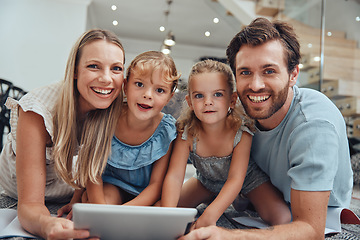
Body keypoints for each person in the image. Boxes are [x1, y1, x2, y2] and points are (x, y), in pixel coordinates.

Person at [179, 17, 353, 240]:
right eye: (245, 72)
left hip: (310, 212)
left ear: (293, 75)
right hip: (247, 195)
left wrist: (228, 236)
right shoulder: (242, 108)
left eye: (269, 71)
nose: (255, 85)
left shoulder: (313, 125)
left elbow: (311, 229)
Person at [0, 29, 125, 239]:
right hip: (17, 198)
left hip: (70, 199)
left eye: (116, 69)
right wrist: (48, 225)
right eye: (94, 66)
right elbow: (30, 205)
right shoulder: (38, 110)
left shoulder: (117, 108)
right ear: (75, 70)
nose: (106, 79)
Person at [161, 59, 291, 230]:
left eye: (218, 94)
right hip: (206, 181)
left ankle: (238, 201)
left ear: (232, 99)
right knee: (162, 207)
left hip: (247, 181)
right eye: (199, 95)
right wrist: (168, 215)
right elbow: (175, 176)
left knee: (282, 218)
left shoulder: (241, 132)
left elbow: (235, 180)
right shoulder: (187, 132)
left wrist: (210, 215)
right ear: (190, 102)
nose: (208, 102)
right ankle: (215, 199)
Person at [78, 51, 180, 206]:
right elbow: (93, 172)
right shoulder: (107, 116)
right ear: (125, 86)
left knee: (157, 211)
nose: (147, 95)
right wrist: (100, 210)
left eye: (159, 90)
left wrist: (124, 212)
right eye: (139, 84)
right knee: (96, 201)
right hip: (110, 185)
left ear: (169, 97)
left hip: (145, 195)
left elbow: (156, 185)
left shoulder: (166, 130)